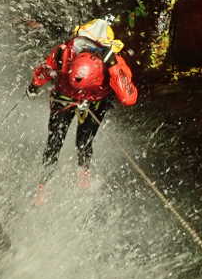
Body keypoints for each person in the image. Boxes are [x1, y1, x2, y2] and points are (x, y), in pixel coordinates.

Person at [26, 18, 138, 205]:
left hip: (95, 102)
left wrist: (114, 67)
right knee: (54, 141)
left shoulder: (114, 62)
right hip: (64, 96)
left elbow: (129, 97)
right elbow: (47, 69)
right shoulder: (65, 52)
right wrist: (34, 86)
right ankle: (43, 184)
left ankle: (83, 171)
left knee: (84, 141)